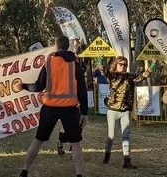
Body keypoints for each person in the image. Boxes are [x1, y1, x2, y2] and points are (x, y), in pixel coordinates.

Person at [17, 36, 88, 177]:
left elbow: (38, 86)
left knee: (38, 140)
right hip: (69, 109)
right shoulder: (75, 63)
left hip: (50, 108)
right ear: (67, 47)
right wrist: (84, 112)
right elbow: (82, 89)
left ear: (56, 46)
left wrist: (23, 86)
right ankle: (79, 174)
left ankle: (24, 171)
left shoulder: (49, 62)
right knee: (75, 143)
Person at [101, 56, 157, 169]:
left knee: (126, 136)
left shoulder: (129, 77)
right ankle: (107, 155)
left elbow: (142, 76)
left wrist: (152, 65)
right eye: (121, 64)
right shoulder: (112, 75)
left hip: (125, 110)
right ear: (116, 64)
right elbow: (104, 71)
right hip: (112, 110)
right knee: (111, 135)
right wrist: (100, 61)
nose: (123, 66)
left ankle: (127, 160)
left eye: (125, 64)